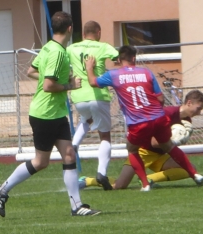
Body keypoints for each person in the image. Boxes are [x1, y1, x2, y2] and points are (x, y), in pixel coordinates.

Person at [0, 11, 101, 217]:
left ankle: (76, 206)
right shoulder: (58, 52)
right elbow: (49, 86)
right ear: (70, 29)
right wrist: (70, 84)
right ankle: (2, 189)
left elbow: (31, 71)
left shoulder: (48, 48)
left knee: (69, 154)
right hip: (45, 113)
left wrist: (58, 78)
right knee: (41, 162)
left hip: (56, 113)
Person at [85, 45, 203, 192]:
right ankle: (195, 175)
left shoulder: (114, 74)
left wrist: (89, 67)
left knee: (132, 148)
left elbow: (93, 82)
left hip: (138, 122)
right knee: (170, 146)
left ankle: (146, 184)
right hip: (158, 117)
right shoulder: (146, 72)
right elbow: (160, 99)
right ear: (134, 58)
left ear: (119, 60)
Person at [78, 89, 203, 190]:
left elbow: (168, 143)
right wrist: (175, 141)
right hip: (143, 152)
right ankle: (87, 181)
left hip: (160, 155)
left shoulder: (186, 121)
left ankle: (150, 179)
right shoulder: (167, 113)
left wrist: (181, 140)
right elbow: (154, 142)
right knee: (119, 186)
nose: (199, 112)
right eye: (198, 108)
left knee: (190, 169)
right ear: (189, 103)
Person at [66, 21, 119, 190]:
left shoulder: (71, 48)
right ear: (99, 32)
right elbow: (117, 57)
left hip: (78, 95)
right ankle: (101, 173)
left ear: (83, 34)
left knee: (86, 119)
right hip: (98, 94)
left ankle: (74, 144)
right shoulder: (102, 46)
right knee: (105, 136)